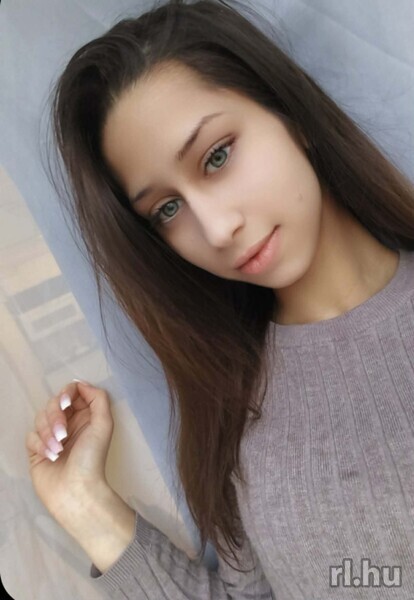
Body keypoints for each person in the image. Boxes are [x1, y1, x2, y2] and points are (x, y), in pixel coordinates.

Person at [26, 0, 414, 597]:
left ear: (289, 111)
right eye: (167, 209)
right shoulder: (228, 402)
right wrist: (87, 507)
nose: (216, 228)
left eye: (217, 156)